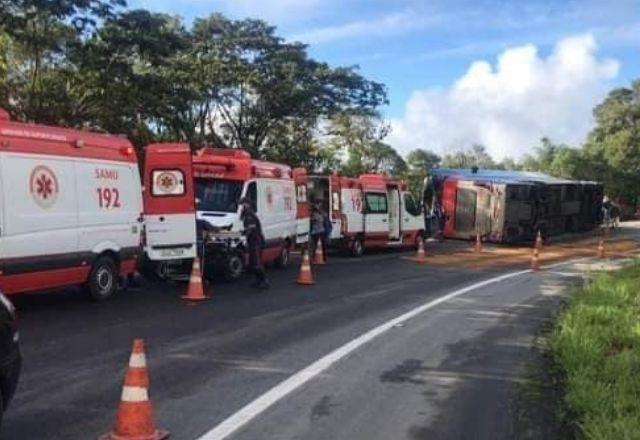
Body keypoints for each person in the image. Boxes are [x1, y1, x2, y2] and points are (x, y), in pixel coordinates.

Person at [239, 197, 269, 290]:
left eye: (243, 204)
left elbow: (251, 228)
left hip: (256, 241)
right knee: (253, 263)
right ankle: (258, 280)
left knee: (256, 263)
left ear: (247, 204)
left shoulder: (249, 215)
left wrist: (243, 233)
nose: (242, 206)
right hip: (253, 241)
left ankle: (264, 281)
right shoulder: (248, 214)